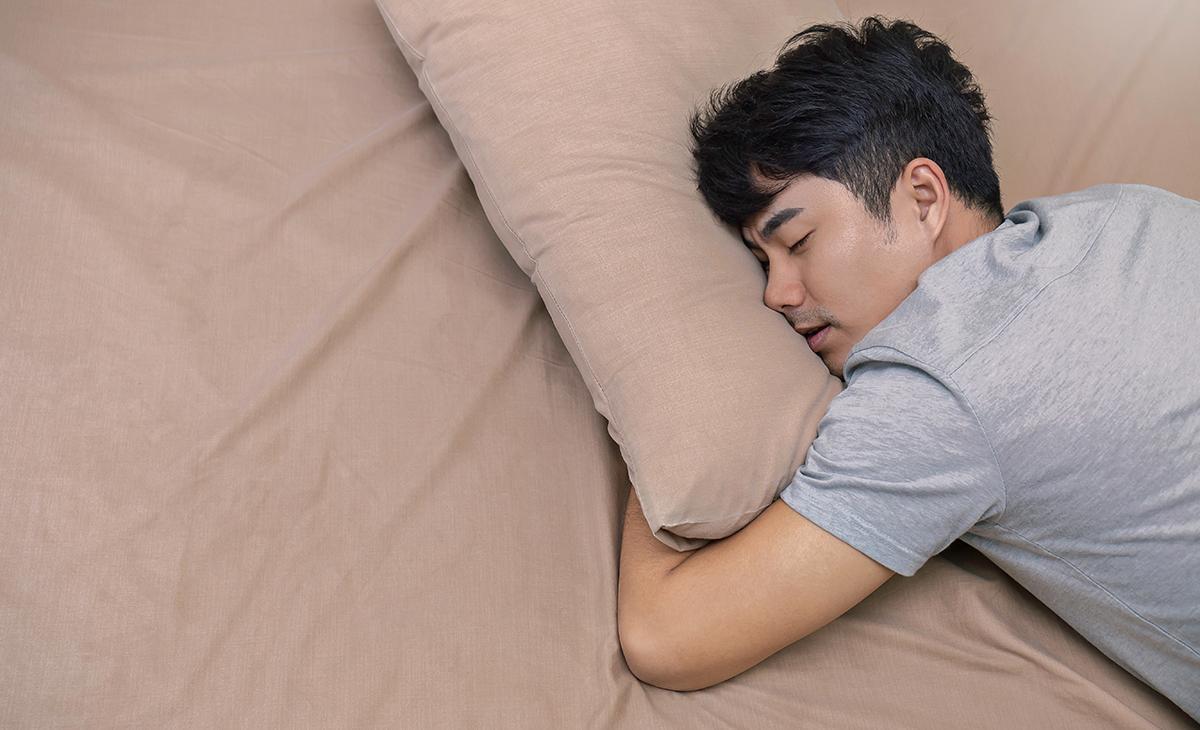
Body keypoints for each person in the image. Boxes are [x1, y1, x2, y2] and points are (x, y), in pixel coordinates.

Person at [614, 16, 1200, 720]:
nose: (776, 294)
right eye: (762, 264)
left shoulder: (941, 388)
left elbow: (666, 640)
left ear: (923, 197)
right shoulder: (1130, 213)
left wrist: (652, 379)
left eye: (798, 240)